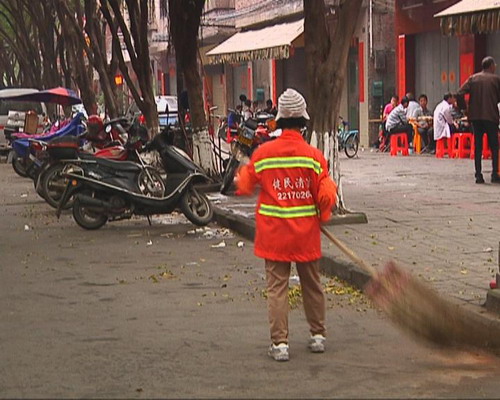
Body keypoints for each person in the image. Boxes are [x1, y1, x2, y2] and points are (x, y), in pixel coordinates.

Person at [236, 88, 337, 362]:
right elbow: (327, 196)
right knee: (312, 285)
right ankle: (318, 336)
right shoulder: (315, 157)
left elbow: (244, 186)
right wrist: (323, 215)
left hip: (275, 235)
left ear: (279, 120)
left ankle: (280, 344)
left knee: (277, 288)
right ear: (303, 122)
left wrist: (244, 168)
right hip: (305, 234)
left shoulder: (264, 154)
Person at [457, 56, 500, 184]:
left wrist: (464, 109)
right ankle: (494, 174)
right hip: (491, 116)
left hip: (475, 117)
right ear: (491, 66)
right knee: (494, 146)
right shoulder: (496, 79)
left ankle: (478, 175)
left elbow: (459, 93)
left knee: (478, 146)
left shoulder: (473, 78)